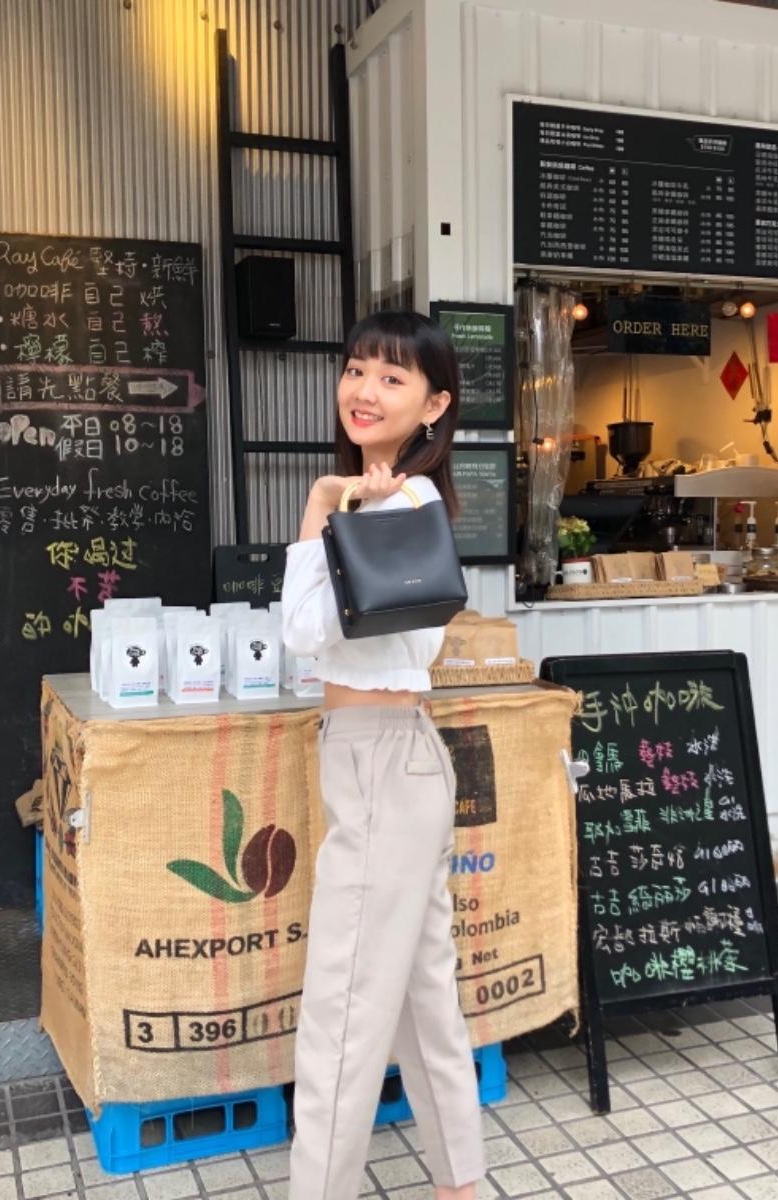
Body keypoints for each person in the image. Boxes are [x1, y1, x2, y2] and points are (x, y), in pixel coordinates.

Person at [281, 311, 485, 1200]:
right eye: (356, 369)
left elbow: (301, 633)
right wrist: (339, 507)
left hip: (383, 764)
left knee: (343, 1007)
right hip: (385, 758)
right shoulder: (388, 502)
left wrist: (321, 506)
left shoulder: (403, 506)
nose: (364, 390)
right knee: (416, 993)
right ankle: (460, 1182)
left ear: (434, 405)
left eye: (393, 378)